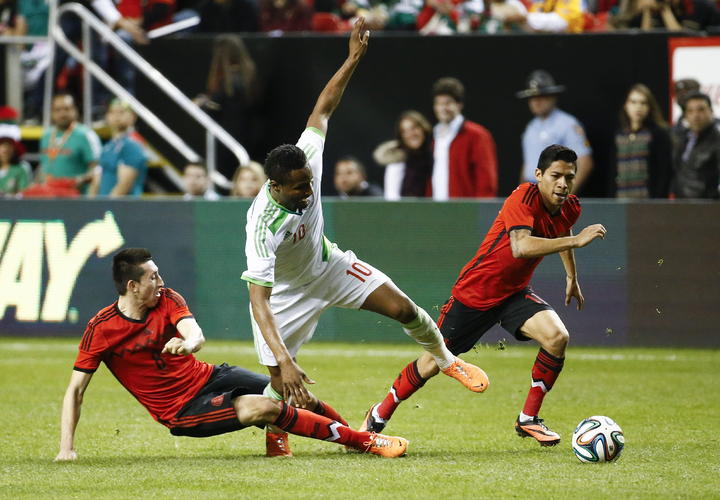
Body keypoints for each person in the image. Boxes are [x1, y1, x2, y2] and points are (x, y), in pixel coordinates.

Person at [242, 18, 489, 457]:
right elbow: (259, 302)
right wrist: (283, 360)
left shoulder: (306, 158)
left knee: (404, 308)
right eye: (299, 188)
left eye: (309, 182)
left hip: (329, 266)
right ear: (275, 186)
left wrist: (352, 59)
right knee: (280, 383)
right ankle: (276, 436)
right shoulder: (262, 224)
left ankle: (447, 361)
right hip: (284, 295)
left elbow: (323, 107)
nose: (309, 191)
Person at [55, 248, 409, 461]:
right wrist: (66, 448)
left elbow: (194, 333)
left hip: (208, 376)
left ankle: (348, 439)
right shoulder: (101, 329)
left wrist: (188, 344)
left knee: (288, 389)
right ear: (132, 286)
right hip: (180, 409)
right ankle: (364, 441)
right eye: (153, 277)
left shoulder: (167, 298)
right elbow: (75, 391)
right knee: (264, 407)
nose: (160, 282)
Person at [359, 144, 608, 447]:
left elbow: (562, 229)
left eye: (569, 177)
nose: (563, 184)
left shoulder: (570, 206)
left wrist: (571, 276)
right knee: (432, 363)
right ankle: (378, 415)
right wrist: (577, 241)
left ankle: (528, 418)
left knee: (557, 338)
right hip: (475, 293)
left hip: (514, 293)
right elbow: (521, 246)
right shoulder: (523, 197)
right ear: (539, 174)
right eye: (556, 175)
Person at [517, 70, 593, 193]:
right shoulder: (531, 127)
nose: (536, 102)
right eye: (532, 97)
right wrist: (522, 193)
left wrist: (566, 194)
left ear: (552, 97)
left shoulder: (567, 124)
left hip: (553, 187)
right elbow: (528, 164)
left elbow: (585, 162)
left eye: (542, 96)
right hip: (532, 190)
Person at [23, 93, 101, 198]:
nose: (62, 113)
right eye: (58, 110)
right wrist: (35, 184)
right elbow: (43, 165)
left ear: (75, 110)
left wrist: (78, 180)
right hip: (48, 197)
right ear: (52, 113)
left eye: (66, 109)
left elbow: (97, 169)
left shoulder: (85, 135)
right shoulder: (46, 135)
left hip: (75, 197)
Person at [431, 77, 498, 199]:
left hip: (465, 209)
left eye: (448, 103)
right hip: (434, 208)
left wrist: (483, 208)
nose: (442, 108)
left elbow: (486, 179)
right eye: (438, 103)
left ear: (459, 105)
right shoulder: (433, 135)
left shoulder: (477, 135)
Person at [610, 83, 672, 198]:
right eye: (633, 102)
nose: (638, 107)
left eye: (643, 103)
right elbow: (612, 171)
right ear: (626, 105)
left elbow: (664, 172)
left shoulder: (658, 134)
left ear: (649, 107)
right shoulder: (619, 134)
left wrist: (658, 200)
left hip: (647, 200)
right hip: (621, 198)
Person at [90, 99, 148, 197]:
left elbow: (123, 187)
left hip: (122, 206)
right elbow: (97, 180)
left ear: (133, 117)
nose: (116, 116)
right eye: (112, 112)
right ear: (107, 116)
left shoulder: (132, 146)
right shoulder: (107, 146)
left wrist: (106, 206)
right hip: (104, 204)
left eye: (122, 112)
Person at [373, 110, 433, 200]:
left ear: (423, 128)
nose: (411, 134)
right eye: (405, 131)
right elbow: (392, 197)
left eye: (414, 128)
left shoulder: (436, 154)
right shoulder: (397, 160)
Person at [671, 91, 720, 199]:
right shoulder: (681, 138)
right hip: (680, 203)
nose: (696, 115)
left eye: (701, 110)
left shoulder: (717, 141)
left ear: (711, 111)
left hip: (707, 204)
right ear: (685, 115)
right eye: (690, 111)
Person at [0, 132, 30, 196]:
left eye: (9, 147)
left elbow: (23, 192)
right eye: (2, 146)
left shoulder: (19, 170)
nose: (5, 150)